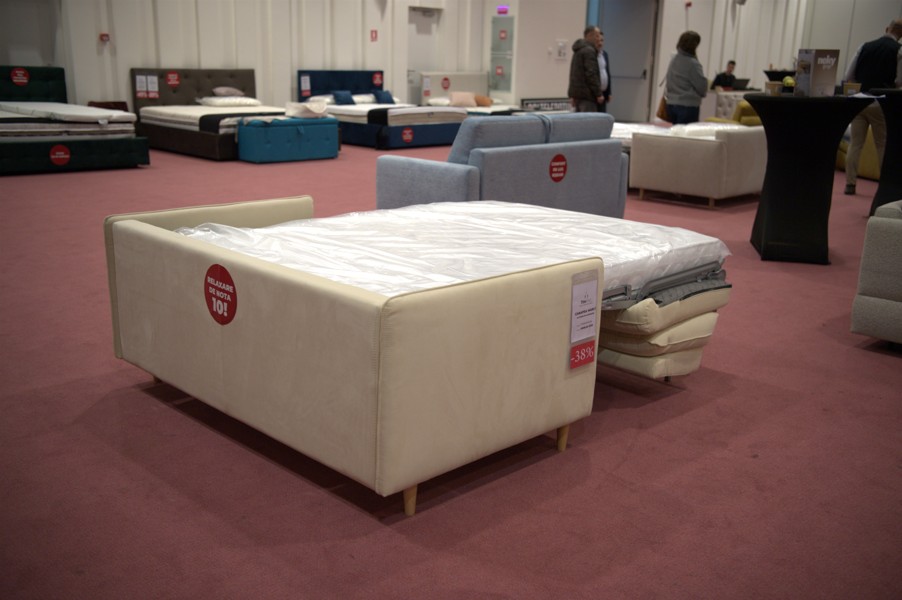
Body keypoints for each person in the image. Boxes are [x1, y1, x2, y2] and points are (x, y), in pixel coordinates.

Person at [841, 18, 902, 195]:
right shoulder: (899, 51)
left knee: (855, 144)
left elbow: (848, 75)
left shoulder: (864, 46)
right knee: (882, 145)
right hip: (881, 103)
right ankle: (885, 185)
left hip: (860, 100)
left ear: (886, 28)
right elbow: (899, 81)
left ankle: (850, 184)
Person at [664, 31, 708, 124]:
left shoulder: (674, 59)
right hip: (688, 106)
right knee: (687, 133)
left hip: (671, 103)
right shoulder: (693, 64)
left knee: (676, 131)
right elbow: (702, 87)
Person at [568, 26, 604, 112]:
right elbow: (591, 73)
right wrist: (598, 93)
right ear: (590, 36)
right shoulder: (589, 51)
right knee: (589, 120)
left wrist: (573, 94)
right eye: (597, 36)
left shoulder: (578, 50)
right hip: (587, 97)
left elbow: (573, 74)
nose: (599, 39)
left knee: (579, 120)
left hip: (578, 96)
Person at [596, 30, 613, 112]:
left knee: (602, 115)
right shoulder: (591, 54)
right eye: (598, 41)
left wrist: (609, 92)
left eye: (602, 40)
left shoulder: (605, 54)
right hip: (594, 94)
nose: (600, 43)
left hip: (604, 93)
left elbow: (607, 74)